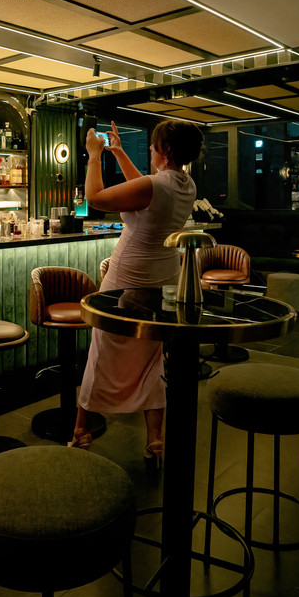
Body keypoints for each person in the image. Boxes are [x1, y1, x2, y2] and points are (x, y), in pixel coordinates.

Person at [72, 119, 203, 470]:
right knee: (151, 359)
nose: (150, 149)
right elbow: (145, 188)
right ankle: (155, 440)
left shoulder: (156, 185)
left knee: (102, 355)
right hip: (163, 280)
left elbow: (95, 199)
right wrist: (118, 152)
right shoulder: (186, 184)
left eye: (154, 145)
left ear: (166, 150)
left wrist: (95, 156)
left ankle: (81, 432)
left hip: (128, 278)